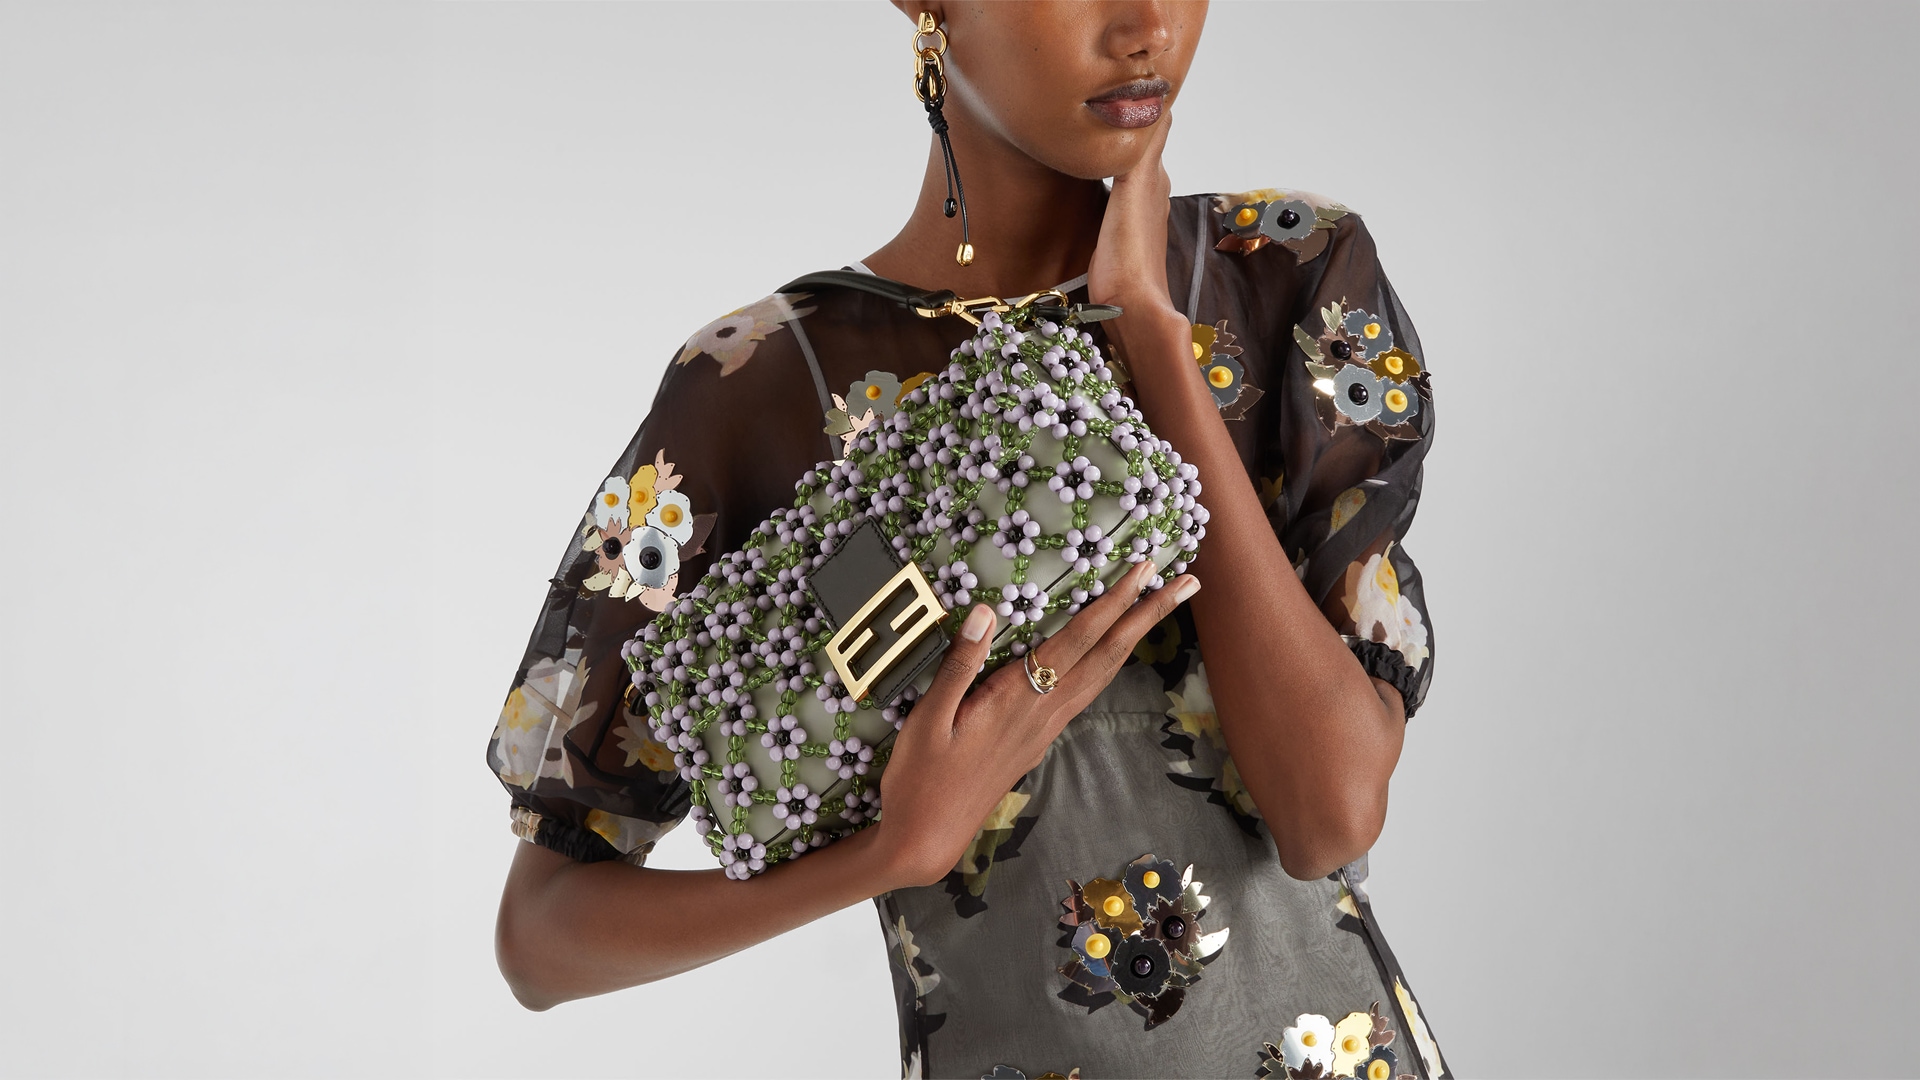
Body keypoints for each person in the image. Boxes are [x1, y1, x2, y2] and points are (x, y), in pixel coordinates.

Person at [485, 4, 1448, 1077]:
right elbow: (542, 936)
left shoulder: (1281, 271)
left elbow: (1330, 815)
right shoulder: (759, 383)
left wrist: (1149, 333)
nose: (1146, 25)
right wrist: (891, 852)